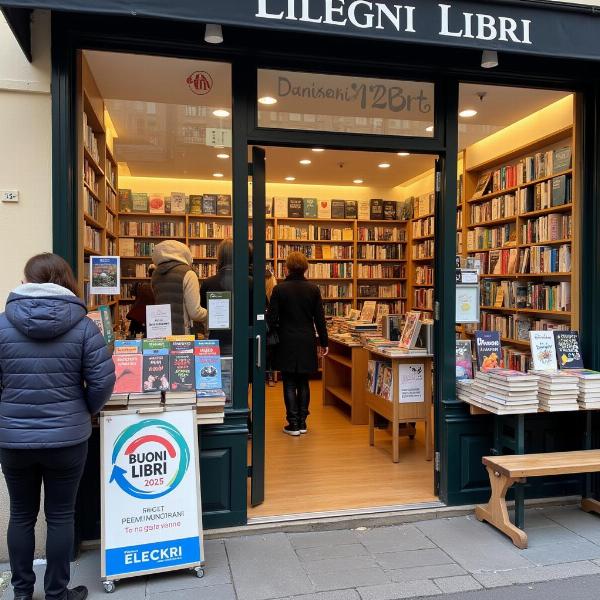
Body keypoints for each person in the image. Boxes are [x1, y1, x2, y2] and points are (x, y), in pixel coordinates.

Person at [0, 253, 116, 600]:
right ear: (66, 281)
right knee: (61, 515)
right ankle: (56, 592)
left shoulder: (3, 324)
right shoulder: (83, 326)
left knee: (21, 514)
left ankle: (21, 593)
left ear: (27, 281)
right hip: (67, 438)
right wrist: (82, 410)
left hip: (14, 439)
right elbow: (102, 382)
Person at [267, 252, 328, 436]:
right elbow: (320, 319)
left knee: (289, 382)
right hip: (307, 340)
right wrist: (323, 342)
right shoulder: (313, 289)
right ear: (305, 267)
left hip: (286, 340)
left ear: (287, 267)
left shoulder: (280, 289)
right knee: (303, 381)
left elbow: (272, 318)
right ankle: (302, 422)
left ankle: (292, 423)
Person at [151, 240, 207, 336]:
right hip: (182, 335)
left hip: (159, 333)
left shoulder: (155, 274)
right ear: (185, 253)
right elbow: (195, 312)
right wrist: (213, 315)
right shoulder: (188, 273)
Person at [125, 264, 155, 337]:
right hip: (153, 320)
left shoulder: (143, 286)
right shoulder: (155, 287)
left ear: (148, 274)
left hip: (138, 320)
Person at [265, 268, 278, 387]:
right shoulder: (274, 292)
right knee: (269, 351)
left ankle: (267, 375)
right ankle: (269, 377)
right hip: (271, 330)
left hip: (266, 329)